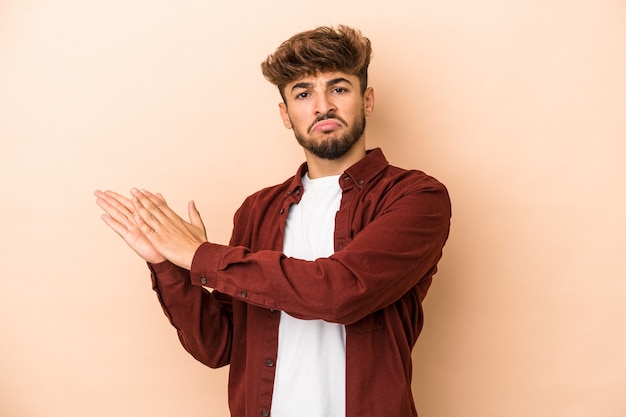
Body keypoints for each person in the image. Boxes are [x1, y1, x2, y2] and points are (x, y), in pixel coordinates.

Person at [95, 25, 451, 417]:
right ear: (286, 114)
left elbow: (341, 292)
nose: (322, 106)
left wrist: (202, 255)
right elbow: (219, 346)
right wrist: (167, 262)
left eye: (339, 88)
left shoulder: (415, 197)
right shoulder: (256, 210)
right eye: (303, 93)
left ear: (366, 100)